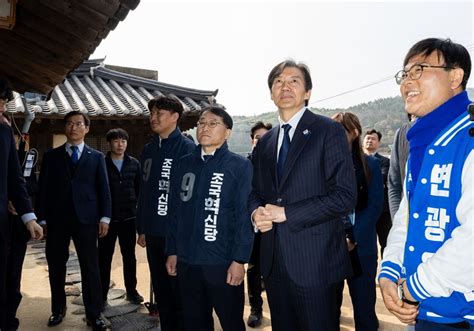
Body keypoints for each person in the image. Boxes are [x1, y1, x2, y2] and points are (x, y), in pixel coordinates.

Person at [249, 60, 357, 330]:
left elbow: (345, 196)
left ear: (307, 92)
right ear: (271, 92)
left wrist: (287, 213)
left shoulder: (328, 130)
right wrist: (255, 213)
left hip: (316, 262)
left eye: (293, 81)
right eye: (278, 82)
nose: (285, 86)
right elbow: (254, 192)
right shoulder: (265, 143)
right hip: (274, 262)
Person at [379, 38, 474, 330]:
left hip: (462, 314)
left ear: (455, 77)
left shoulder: (467, 139)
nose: (407, 81)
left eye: (419, 69)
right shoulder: (422, 144)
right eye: (404, 74)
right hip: (426, 310)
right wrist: (388, 272)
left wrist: (414, 287)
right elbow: (408, 218)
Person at [166, 106, 254, 331]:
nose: (205, 128)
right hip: (188, 261)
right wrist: (173, 250)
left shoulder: (239, 166)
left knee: (231, 321)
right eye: (202, 123)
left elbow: (244, 217)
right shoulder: (184, 163)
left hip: (222, 263)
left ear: (227, 133)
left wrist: (239, 260)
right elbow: (175, 211)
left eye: (213, 123)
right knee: (193, 322)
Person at [36, 110, 111, 330]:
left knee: (90, 267)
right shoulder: (51, 156)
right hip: (57, 219)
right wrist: (41, 219)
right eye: (69, 123)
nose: (74, 127)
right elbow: (43, 191)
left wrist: (105, 216)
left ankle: (94, 313)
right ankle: (58, 310)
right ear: (65, 127)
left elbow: (103, 189)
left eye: (79, 124)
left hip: (87, 220)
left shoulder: (96, 157)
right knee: (56, 265)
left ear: (86, 128)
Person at [136, 95, 195, 331]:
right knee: (161, 290)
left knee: (179, 291)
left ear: (175, 117)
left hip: (176, 235)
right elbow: (145, 192)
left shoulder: (188, 149)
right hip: (153, 233)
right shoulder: (149, 150)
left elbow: (188, 201)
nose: (153, 118)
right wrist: (141, 227)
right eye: (151, 113)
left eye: (159, 113)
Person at [333, 112, 384, 331]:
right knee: (327, 309)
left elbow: (375, 206)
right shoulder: (321, 163)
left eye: (340, 130)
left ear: (354, 133)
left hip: (361, 247)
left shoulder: (370, 165)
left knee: (364, 309)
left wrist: (352, 236)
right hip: (329, 247)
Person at [0, 78, 43, 331]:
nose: (2, 109)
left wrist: (29, 216)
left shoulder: (5, 131)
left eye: (3, 103)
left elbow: (15, 178)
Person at [98, 128, 143, 306]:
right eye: (116, 141)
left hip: (129, 218)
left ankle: (131, 291)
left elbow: (139, 189)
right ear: (110, 143)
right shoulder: (101, 162)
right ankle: (101, 295)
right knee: (104, 258)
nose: (120, 144)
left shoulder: (134, 163)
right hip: (107, 219)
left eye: (123, 141)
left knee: (129, 257)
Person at [246, 121, 272, 328]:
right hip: (251, 226)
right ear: (252, 140)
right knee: (253, 268)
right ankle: (256, 308)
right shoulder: (243, 165)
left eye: (266, 137)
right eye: (257, 138)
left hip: (276, 225)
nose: (261, 141)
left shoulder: (280, 164)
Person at [363, 129, 391, 258]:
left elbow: (382, 178)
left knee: (385, 242)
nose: (369, 140)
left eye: (373, 139)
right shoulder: (356, 159)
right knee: (365, 243)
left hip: (382, 209)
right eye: (367, 138)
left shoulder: (385, 161)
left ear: (379, 143)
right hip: (362, 208)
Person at [387, 115, 415, 220]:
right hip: (406, 221)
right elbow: (395, 184)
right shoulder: (403, 133)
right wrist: (397, 219)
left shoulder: (457, 130)